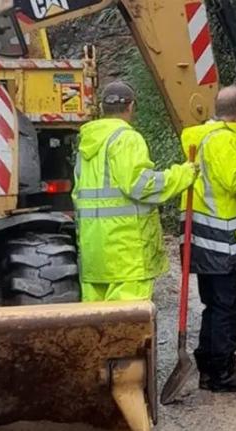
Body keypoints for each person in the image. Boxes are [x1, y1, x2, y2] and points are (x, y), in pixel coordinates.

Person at [72, 81, 198, 302]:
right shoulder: (127, 138)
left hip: (94, 255)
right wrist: (183, 174)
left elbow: (77, 196)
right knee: (127, 329)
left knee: (96, 328)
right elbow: (141, 186)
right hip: (126, 254)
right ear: (131, 107)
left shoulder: (86, 146)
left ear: (101, 108)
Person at [180, 85, 236, 393]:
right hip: (226, 243)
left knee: (215, 307)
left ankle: (209, 367)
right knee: (228, 309)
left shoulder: (203, 138)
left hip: (206, 243)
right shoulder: (224, 139)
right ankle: (222, 372)